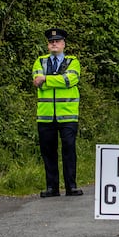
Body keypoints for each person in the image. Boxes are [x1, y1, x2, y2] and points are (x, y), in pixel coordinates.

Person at [32, 27, 83, 198]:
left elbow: (70, 80)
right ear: (48, 45)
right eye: (51, 42)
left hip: (68, 114)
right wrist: (56, 80)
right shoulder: (40, 61)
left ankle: (71, 186)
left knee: (69, 150)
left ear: (63, 44)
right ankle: (52, 187)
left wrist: (47, 78)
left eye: (57, 41)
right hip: (45, 115)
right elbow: (37, 82)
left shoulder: (73, 61)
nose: (54, 44)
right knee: (48, 152)